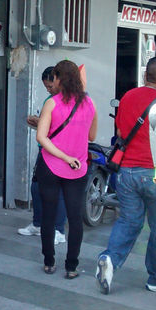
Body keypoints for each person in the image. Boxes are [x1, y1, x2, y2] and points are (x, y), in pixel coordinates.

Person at [96, 56, 156, 295]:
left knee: (128, 221)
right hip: (155, 175)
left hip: (126, 173)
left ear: (145, 75)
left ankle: (110, 259)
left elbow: (121, 131)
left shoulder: (128, 97)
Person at [36, 60, 97, 279]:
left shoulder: (52, 103)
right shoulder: (89, 103)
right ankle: (72, 266)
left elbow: (41, 137)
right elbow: (92, 136)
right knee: (75, 217)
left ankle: (49, 262)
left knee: (49, 215)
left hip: (50, 165)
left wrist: (63, 156)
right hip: (78, 167)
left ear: (59, 78)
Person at [19, 66, 67, 245]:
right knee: (36, 187)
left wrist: (41, 121)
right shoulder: (50, 99)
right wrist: (37, 122)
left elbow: (61, 125)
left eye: (50, 86)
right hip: (45, 148)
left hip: (59, 150)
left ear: (59, 81)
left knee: (59, 190)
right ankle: (38, 223)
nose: (48, 89)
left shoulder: (68, 101)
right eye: (46, 86)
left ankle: (59, 230)